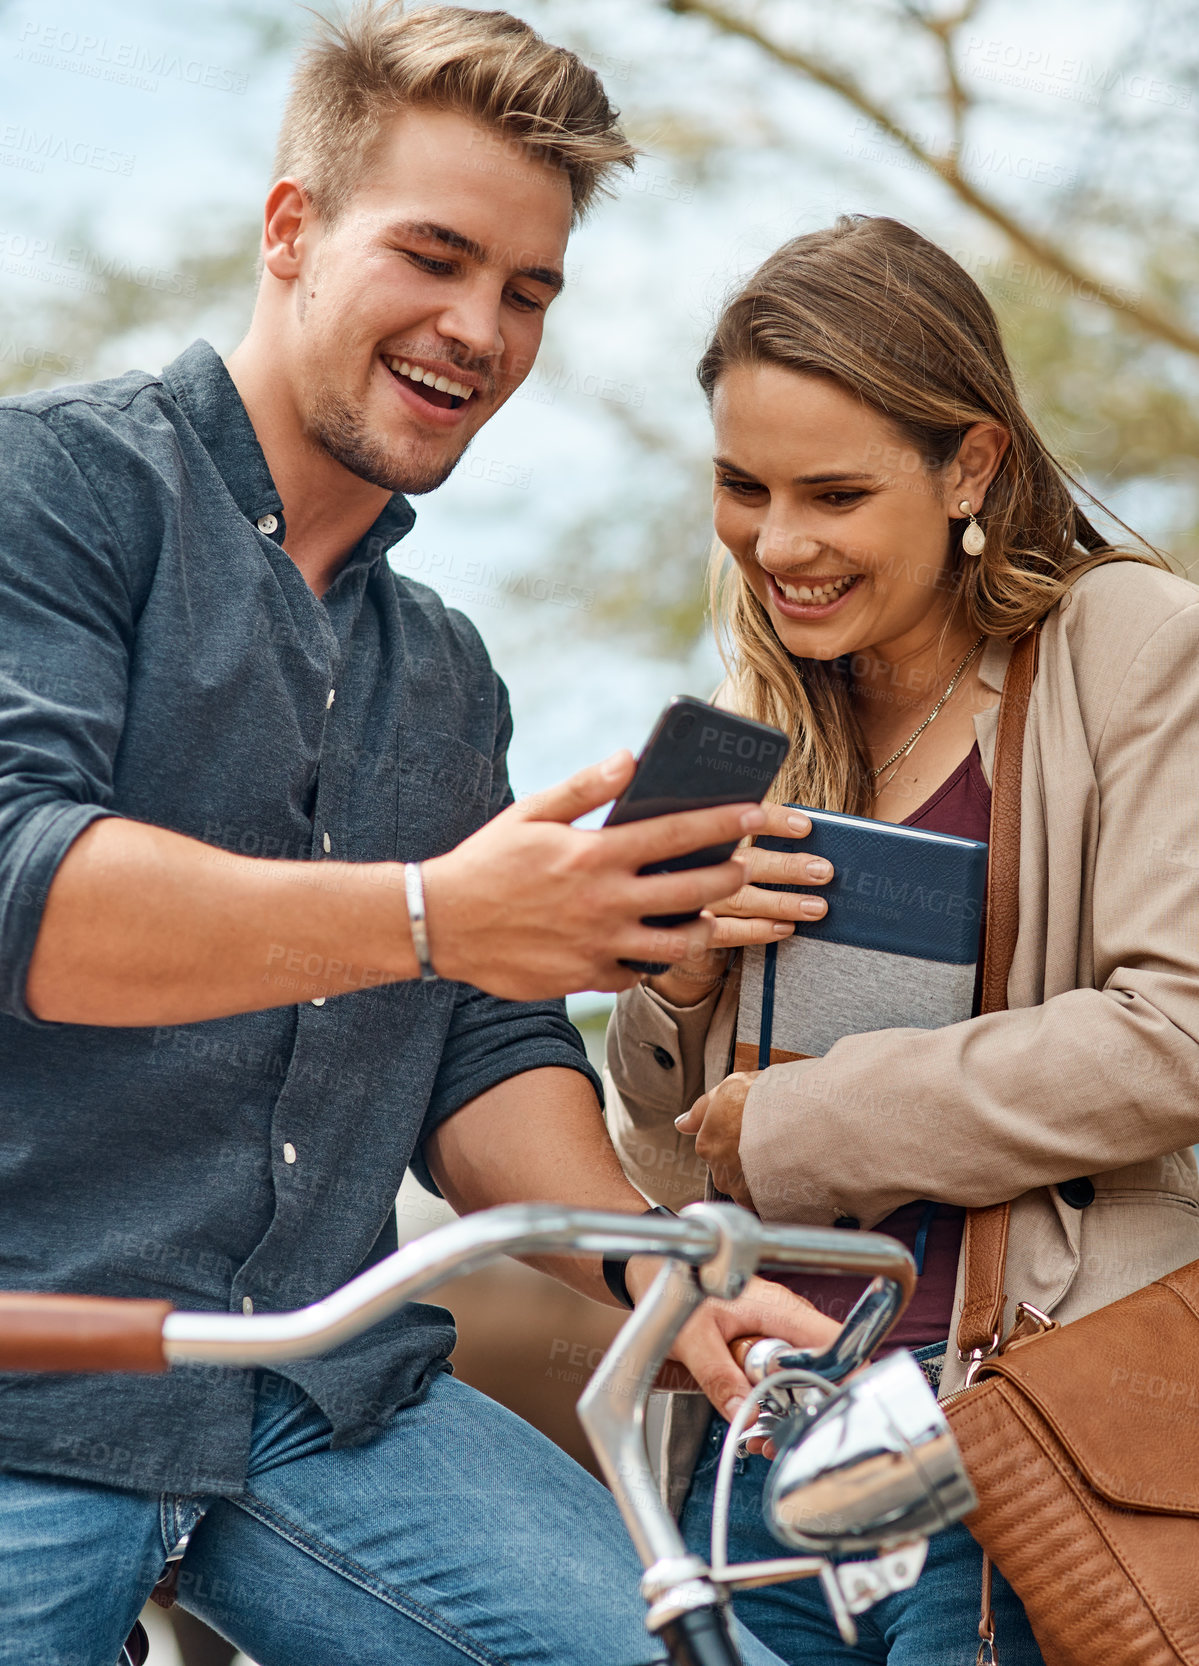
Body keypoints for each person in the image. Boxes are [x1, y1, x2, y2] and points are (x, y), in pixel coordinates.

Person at [0, 8, 831, 1663]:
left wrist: (653, 1273)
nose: (478, 329)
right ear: (292, 227)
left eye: (527, 291)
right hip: (33, 1371)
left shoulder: (445, 668)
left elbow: (479, 1054)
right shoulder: (55, 494)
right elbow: (26, 891)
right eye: (435, 257)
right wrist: (438, 910)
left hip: (313, 1392)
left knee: (670, 1648)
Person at [604, 214, 1199, 1665]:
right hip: (760, 1430)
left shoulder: (1132, 643)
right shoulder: (743, 722)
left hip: (1010, 1411)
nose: (780, 541)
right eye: (743, 487)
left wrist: (800, 1118)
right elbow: (671, 1157)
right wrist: (676, 987)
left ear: (971, 466)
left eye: (835, 493)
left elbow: (1177, 1032)